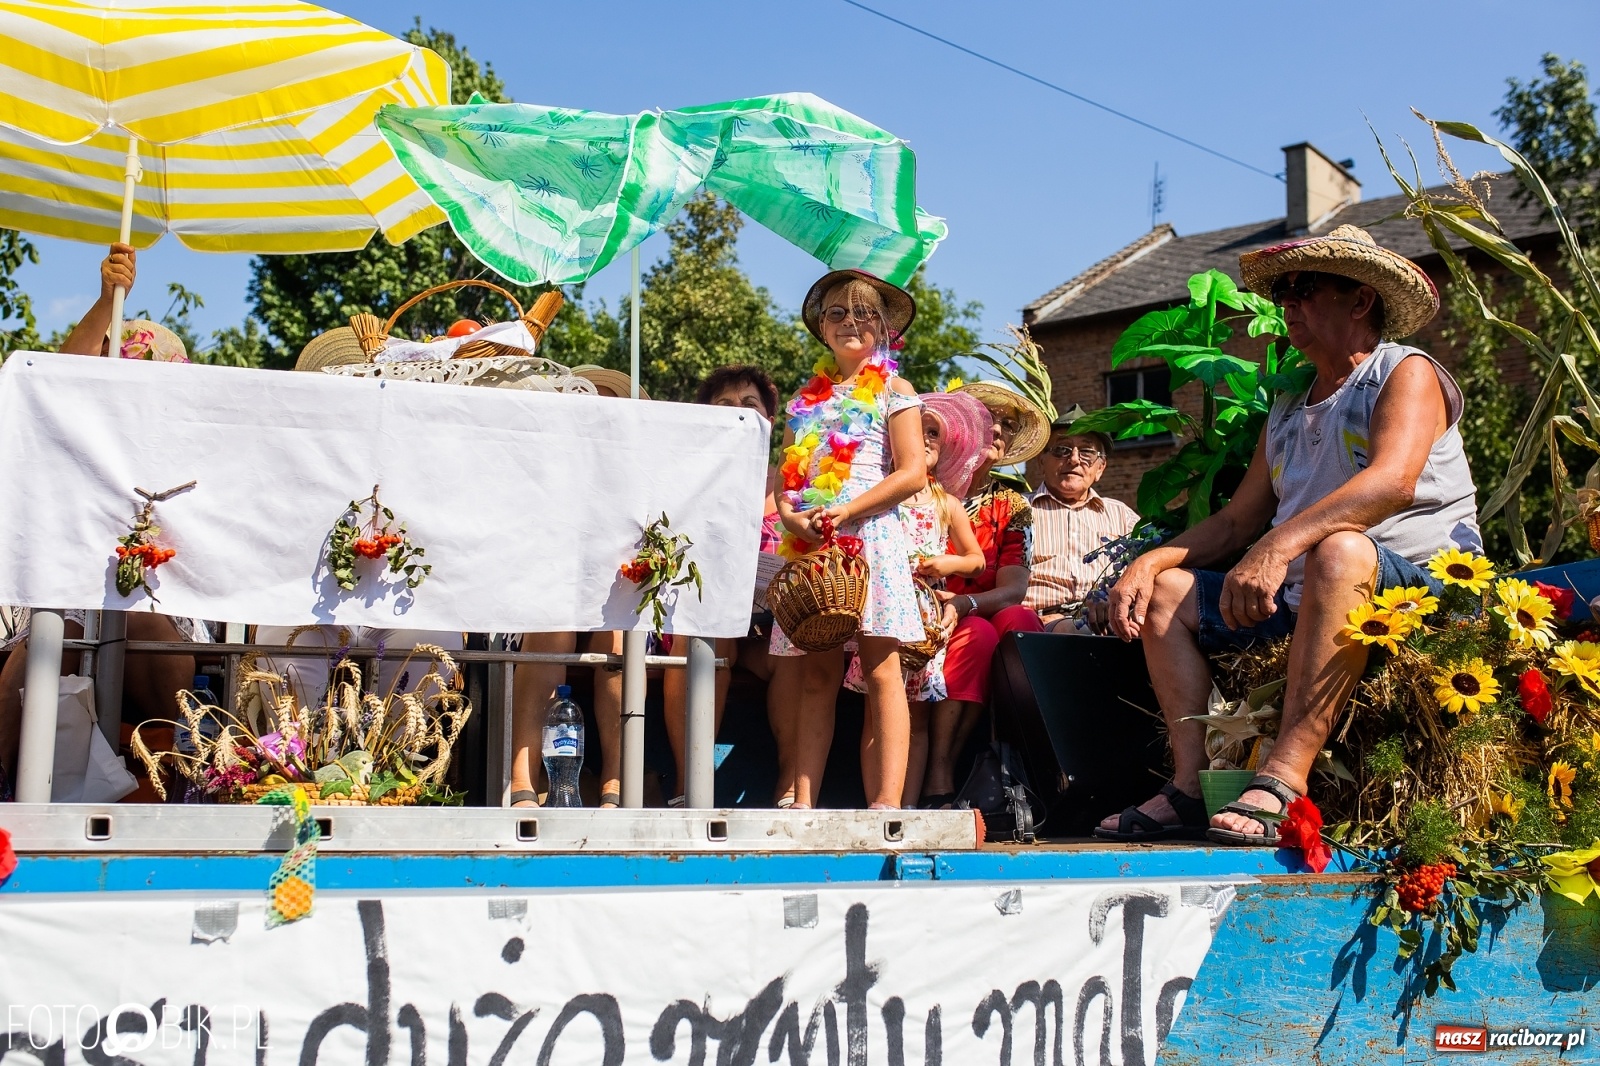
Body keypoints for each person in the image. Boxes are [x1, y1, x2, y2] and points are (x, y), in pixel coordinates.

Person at [1098, 224, 1478, 844]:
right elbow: (1238, 520)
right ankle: (1191, 786)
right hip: (1311, 599)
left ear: (1360, 299)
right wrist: (1149, 562)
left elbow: (1392, 483)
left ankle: (1283, 777)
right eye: (1282, 293)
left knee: (1340, 548)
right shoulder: (1289, 405)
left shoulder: (1403, 372)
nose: (1288, 304)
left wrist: (1278, 546)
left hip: (1418, 591)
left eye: (1305, 288)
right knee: (1167, 592)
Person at [773, 269, 926, 810]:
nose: (849, 322)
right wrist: (793, 520)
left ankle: (887, 803)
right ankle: (804, 800)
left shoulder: (895, 391)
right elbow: (786, 484)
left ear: (883, 327)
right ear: (821, 327)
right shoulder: (804, 400)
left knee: (882, 668)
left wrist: (850, 510)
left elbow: (913, 473)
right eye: (836, 313)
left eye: (863, 314)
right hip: (817, 543)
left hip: (871, 535)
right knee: (816, 674)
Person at [846, 391, 988, 807]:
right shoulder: (878, 497)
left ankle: (906, 805)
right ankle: (878, 802)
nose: (924, 439)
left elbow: (976, 560)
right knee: (876, 711)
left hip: (922, 618)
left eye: (933, 433)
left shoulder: (948, 504)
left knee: (918, 715)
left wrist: (948, 563)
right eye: (918, 430)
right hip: (882, 608)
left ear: (946, 448)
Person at [661, 364, 788, 805]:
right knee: (702, 638)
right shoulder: (684, 480)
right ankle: (688, 789)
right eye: (725, 405)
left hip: (771, 627)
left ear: (769, 420)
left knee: (797, 650)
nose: (739, 412)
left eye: (749, 404)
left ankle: (792, 792)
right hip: (708, 620)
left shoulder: (793, 484)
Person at [919, 382, 1050, 808]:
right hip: (926, 610)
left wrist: (966, 604)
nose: (997, 429)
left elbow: (1014, 589)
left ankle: (1027, 769)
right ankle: (939, 771)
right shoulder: (926, 486)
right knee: (977, 634)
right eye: (989, 417)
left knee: (1021, 622)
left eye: (1007, 425)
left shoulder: (1013, 504)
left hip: (978, 608)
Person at [1024, 405, 1139, 631]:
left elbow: (1147, 569)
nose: (1074, 460)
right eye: (1062, 449)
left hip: (1112, 621)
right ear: (1041, 461)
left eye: (1086, 452)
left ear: (1100, 468)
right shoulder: (1018, 509)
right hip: (1039, 625)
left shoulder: (1122, 516)